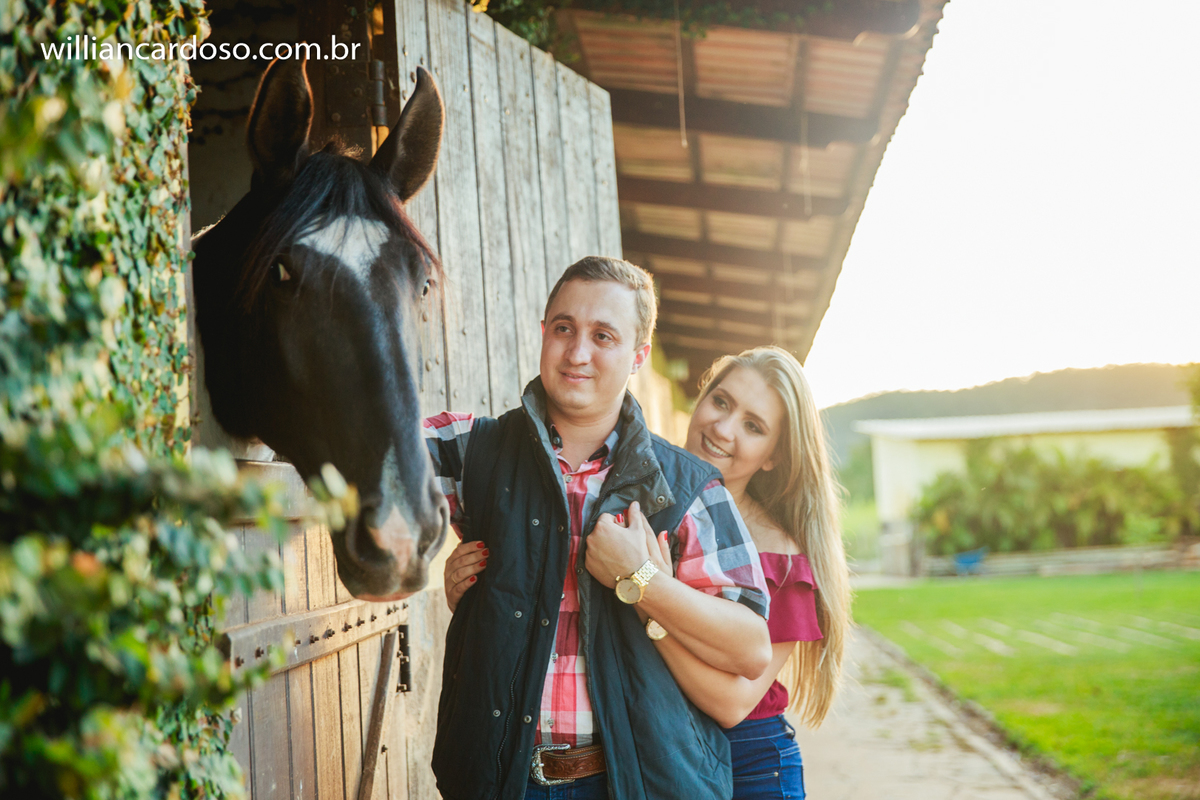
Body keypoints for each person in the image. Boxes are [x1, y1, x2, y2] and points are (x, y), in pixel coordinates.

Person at [428, 256, 772, 800]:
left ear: (639, 355)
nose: (578, 352)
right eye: (563, 328)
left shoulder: (687, 487)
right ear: (543, 333)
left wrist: (641, 577)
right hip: (497, 781)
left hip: (632, 783)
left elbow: (752, 647)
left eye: (603, 336)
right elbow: (368, 451)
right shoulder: (473, 449)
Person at [448, 345, 851, 800]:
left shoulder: (781, 559)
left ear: (773, 455)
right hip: (653, 754)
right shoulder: (633, 491)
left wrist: (644, 593)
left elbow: (731, 704)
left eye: (753, 426)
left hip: (748, 764)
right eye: (721, 401)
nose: (722, 427)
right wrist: (477, 582)